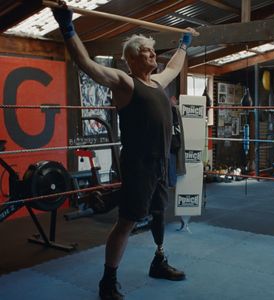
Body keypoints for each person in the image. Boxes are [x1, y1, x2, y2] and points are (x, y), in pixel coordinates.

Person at [52, 3, 198, 300]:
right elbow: (86, 64)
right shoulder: (124, 82)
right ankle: (108, 281)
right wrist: (68, 28)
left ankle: (159, 261)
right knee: (127, 222)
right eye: (146, 51)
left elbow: (174, 66)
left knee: (158, 213)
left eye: (153, 50)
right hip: (139, 165)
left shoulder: (157, 82)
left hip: (160, 163)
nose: (153, 54)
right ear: (132, 57)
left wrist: (184, 43)